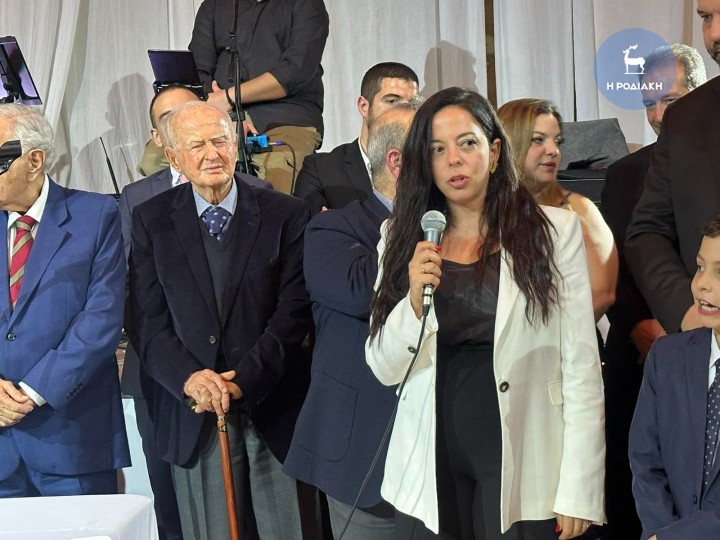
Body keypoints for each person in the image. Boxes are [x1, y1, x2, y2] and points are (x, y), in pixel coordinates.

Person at [365, 88, 606, 539]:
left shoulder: (554, 233)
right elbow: (382, 365)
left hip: (525, 450)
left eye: (467, 143)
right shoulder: (401, 236)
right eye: (437, 149)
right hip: (431, 452)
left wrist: (580, 487)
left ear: (494, 151)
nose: (453, 160)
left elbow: (581, 366)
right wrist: (413, 301)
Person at [127, 100, 312, 539]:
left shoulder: (285, 213)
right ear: (173, 157)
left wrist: (244, 379)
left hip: (273, 407)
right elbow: (146, 320)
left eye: (220, 141)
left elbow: (294, 312)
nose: (212, 154)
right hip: (194, 413)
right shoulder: (151, 219)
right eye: (197, 145)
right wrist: (191, 379)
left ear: (235, 144)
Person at [284, 101, 420, 539]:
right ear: (398, 163)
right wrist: (412, 227)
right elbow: (365, 293)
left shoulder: (461, 230)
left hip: (441, 457)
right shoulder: (333, 229)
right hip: (364, 458)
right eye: (436, 149)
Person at [599, 43, 706, 540]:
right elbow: (618, 262)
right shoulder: (623, 175)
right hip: (641, 351)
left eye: (671, 99)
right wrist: (646, 325)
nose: (660, 114)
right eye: (649, 103)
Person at [0, 103, 129, 496]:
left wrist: (32, 391)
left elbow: (101, 320)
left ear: (34, 161)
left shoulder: (96, 214)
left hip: (73, 439)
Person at [625, 0, 720, 334]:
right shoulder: (685, 118)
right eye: (706, 17)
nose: (714, 33)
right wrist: (685, 311)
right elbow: (648, 231)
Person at [629, 215, 720, 539]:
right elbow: (645, 460)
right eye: (700, 267)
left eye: (719, 272)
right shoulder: (666, 356)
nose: (702, 283)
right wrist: (660, 531)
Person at [189, 0, 329, 194]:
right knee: (157, 158)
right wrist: (222, 117)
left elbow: (294, 73)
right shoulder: (214, 5)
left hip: (285, 117)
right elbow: (196, 71)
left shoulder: (306, 4)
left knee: (276, 185)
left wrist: (229, 98)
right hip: (221, 115)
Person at [497, 98, 618, 322]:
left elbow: (602, 294)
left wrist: (549, 336)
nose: (553, 151)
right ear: (509, 143)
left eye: (557, 141)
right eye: (538, 140)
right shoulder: (484, 211)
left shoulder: (579, 210)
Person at [293, 62, 419, 215]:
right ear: (364, 106)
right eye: (391, 101)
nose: (403, 112)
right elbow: (315, 228)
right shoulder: (321, 170)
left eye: (412, 104)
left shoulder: (428, 167)